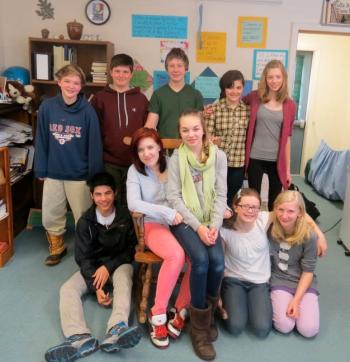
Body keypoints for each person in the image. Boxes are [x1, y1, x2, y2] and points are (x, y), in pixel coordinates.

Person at [44, 172, 142, 362]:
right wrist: (97, 286)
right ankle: (78, 337)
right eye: (98, 194)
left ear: (114, 193)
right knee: (67, 289)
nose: (103, 198)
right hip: (94, 268)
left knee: (123, 279)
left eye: (107, 193)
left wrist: (108, 267)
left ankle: (117, 329)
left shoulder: (124, 216)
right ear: (91, 196)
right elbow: (83, 258)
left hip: (119, 263)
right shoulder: (84, 222)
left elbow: (131, 250)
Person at [167, 111, 227, 361]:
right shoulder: (175, 159)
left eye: (195, 129)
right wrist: (199, 228)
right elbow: (173, 198)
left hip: (209, 220)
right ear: (179, 133)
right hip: (184, 220)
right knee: (201, 262)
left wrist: (213, 225)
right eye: (185, 130)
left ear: (204, 130)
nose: (190, 134)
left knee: (219, 263)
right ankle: (198, 331)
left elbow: (221, 194)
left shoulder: (219, 156)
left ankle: (206, 315)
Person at [126, 127, 191, 349]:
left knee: (200, 256)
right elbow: (134, 204)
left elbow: (191, 190)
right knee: (176, 255)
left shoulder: (174, 163)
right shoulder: (135, 171)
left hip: (180, 221)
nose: (147, 153)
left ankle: (180, 307)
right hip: (154, 224)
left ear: (159, 147)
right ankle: (158, 314)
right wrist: (166, 213)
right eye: (141, 149)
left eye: (150, 147)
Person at [34, 64, 103, 266]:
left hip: (79, 174)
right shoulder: (47, 107)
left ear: (81, 86)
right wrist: (41, 168)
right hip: (53, 172)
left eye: (76, 83)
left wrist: (94, 175)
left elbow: (94, 145)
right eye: (67, 81)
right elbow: (42, 140)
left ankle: (86, 248)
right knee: (51, 211)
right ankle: (57, 245)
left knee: (83, 214)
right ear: (59, 83)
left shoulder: (88, 111)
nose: (71, 86)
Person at [91, 53, 148, 205]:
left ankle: (129, 229)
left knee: (132, 200)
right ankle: (111, 228)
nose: (121, 75)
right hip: (109, 161)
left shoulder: (141, 99)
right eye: (117, 71)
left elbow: (146, 129)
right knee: (111, 199)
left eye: (125, 72)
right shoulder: (100, 98)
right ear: (111, 72)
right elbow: (94, 129)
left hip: (134, 161)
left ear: (131, 74)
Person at [243, 60, 296, 210]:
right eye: (270, 77)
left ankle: (271, 230)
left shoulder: (290, 105)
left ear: (283, 78)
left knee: (275, 201)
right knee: (253, 199)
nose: (274, 81)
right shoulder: (254, 97)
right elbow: (234, 104)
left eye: (278, 77)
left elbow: (288, 139)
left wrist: (287, 170)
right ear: (265, 79)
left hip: (276, 160)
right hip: (255, 157)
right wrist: (211, 109)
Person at [220, 188, 272, 338]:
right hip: (234, 279)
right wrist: (218, 296)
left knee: (262, 329)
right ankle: (232, 302)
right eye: (246, 206)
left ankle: (253, 302)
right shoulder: (225, 230)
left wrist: (319, 235)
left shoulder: (263, 219)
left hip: (259, 281)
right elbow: (220, 262)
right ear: (236, 207)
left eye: (255, 207)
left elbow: (298, 211)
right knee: (235, 327)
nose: (250, 211)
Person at [269, 190, 320, 338]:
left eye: (291, 211)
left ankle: (305, 303)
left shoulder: (309, 236)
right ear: (275, 209)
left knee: (309, 330)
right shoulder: (270, 227)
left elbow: (308, 271)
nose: (284, 216)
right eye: (281, 210)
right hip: (279, 279)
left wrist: (296, 301)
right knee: (284, 326)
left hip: (303, 282)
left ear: (300, 213)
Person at [205, 70, 250, 206]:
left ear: (243, 88)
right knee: (215, 195)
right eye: (230, 87)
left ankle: (229, 222)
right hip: (217, 162)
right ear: (224, 89)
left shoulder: (248, 110)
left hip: (237, 163)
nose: (234, 91)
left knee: (232, 196)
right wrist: (212, 140)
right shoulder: (214, 109)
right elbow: (208, 137)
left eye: (238, 87)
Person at [145, 48, 203, 138]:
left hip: (190, 147)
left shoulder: (196, 94)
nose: (175, 70)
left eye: (179, 66)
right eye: (171, 66)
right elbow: (150, 125)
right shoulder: (158, 94)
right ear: (166, 69)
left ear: (186, 69)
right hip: (165, 148)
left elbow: (200, 125)